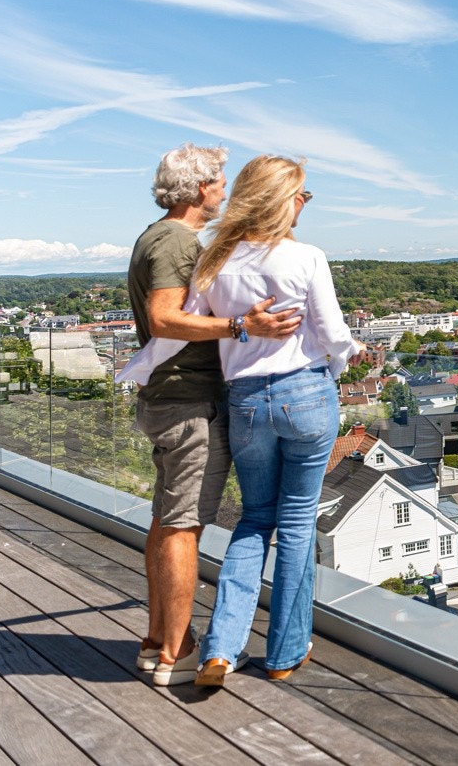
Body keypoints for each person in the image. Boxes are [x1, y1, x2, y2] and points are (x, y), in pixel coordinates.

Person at [124, 155, 362, 686]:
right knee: (297, 522)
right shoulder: (307, 257)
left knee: (254, 519)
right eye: (302, 195)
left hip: (245, 404)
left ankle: (220, 650)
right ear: (282, 199)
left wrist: (137, 370)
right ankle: (283, 652)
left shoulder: (215, 261)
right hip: (304, 395)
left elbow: (172, 331)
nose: (304, 204)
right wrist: (341, 363)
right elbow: (331, 333)